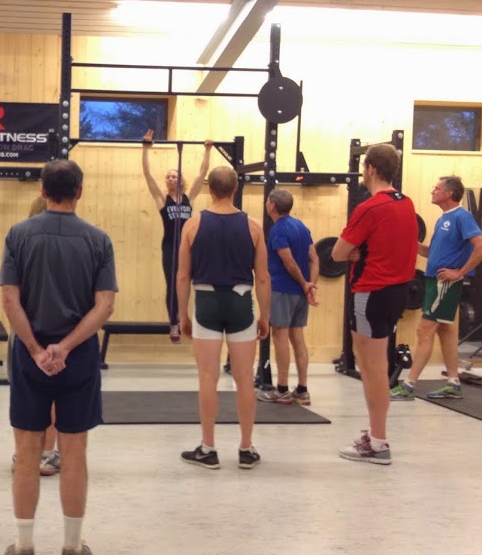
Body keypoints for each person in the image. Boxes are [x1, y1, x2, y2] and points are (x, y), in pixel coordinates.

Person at [0, 159, 117, 555]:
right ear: (79, 192)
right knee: (74, 454)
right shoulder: (99, 240)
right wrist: (64, 347)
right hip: (78, 357)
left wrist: (35, 349)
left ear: (43, 190)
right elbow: (104, 306)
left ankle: (24, 549)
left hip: (30, 359)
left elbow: (10, 300)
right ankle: (70, 550)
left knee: (28, 454)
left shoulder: (18, 235)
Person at [176, 166, 270, 470]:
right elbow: (264, 278)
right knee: (244, 379)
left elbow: (181, 276)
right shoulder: (254, 227)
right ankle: (246, 448)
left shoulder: (192, 225)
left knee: (208, 378)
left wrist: (181, 315)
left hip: (206, 303)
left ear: (209, 189)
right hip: (241, 303)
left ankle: (208, 448)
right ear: (236, 188)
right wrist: (265, 316)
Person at [331, 143, 418, 465]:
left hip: (370, 294)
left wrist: (354, 252)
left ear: (369, 169)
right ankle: (376, 434)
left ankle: (378, 443)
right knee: (375, 367)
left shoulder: (370, 207)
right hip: (395, 292)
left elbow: (338, 253)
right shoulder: (406, 203)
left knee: (373, 369)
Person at [391, 176, 482, 401]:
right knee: (445, 332)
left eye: (437, 188)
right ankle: (453, 383)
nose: (432, 191)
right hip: (435, 281)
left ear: (449, 194)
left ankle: (408, 385)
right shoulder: (443, 219)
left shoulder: (462, 217)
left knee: (424, 331)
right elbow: (430, 253)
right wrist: (406, 242)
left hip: (445, 283)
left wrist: (459, 273)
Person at [141, 130, 213, 343]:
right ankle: (174, 323)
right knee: (173, 285)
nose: (171, 179)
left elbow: (202, 174)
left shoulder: (189, 197)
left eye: (175, 176)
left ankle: (194, 321)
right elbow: (148, 175)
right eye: (168, 176)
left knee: (194, 283)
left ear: (181, 179)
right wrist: (145, 149)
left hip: (190, 247)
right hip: (169, 247)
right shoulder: (162, 200)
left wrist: (207, 150)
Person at [9, 194, 60, 476]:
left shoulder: (19, 239)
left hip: (26, 331)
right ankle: (47, 454)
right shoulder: (76, 240)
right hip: (59, 334)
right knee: (52, 398)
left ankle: (24, 455)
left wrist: (29, 342)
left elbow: (9, 297)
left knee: (24, 395)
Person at [257, 189, 319, 405]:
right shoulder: (301, 227)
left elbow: (289, 262)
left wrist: (304, 284)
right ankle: (302, 390)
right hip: (300, 293)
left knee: (280, 336)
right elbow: (314, 258)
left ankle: (282, 389)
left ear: (272, 205)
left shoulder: (277, 230)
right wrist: (311, 285)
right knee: (297, 337)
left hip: (283, 290)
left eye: (267, 201)